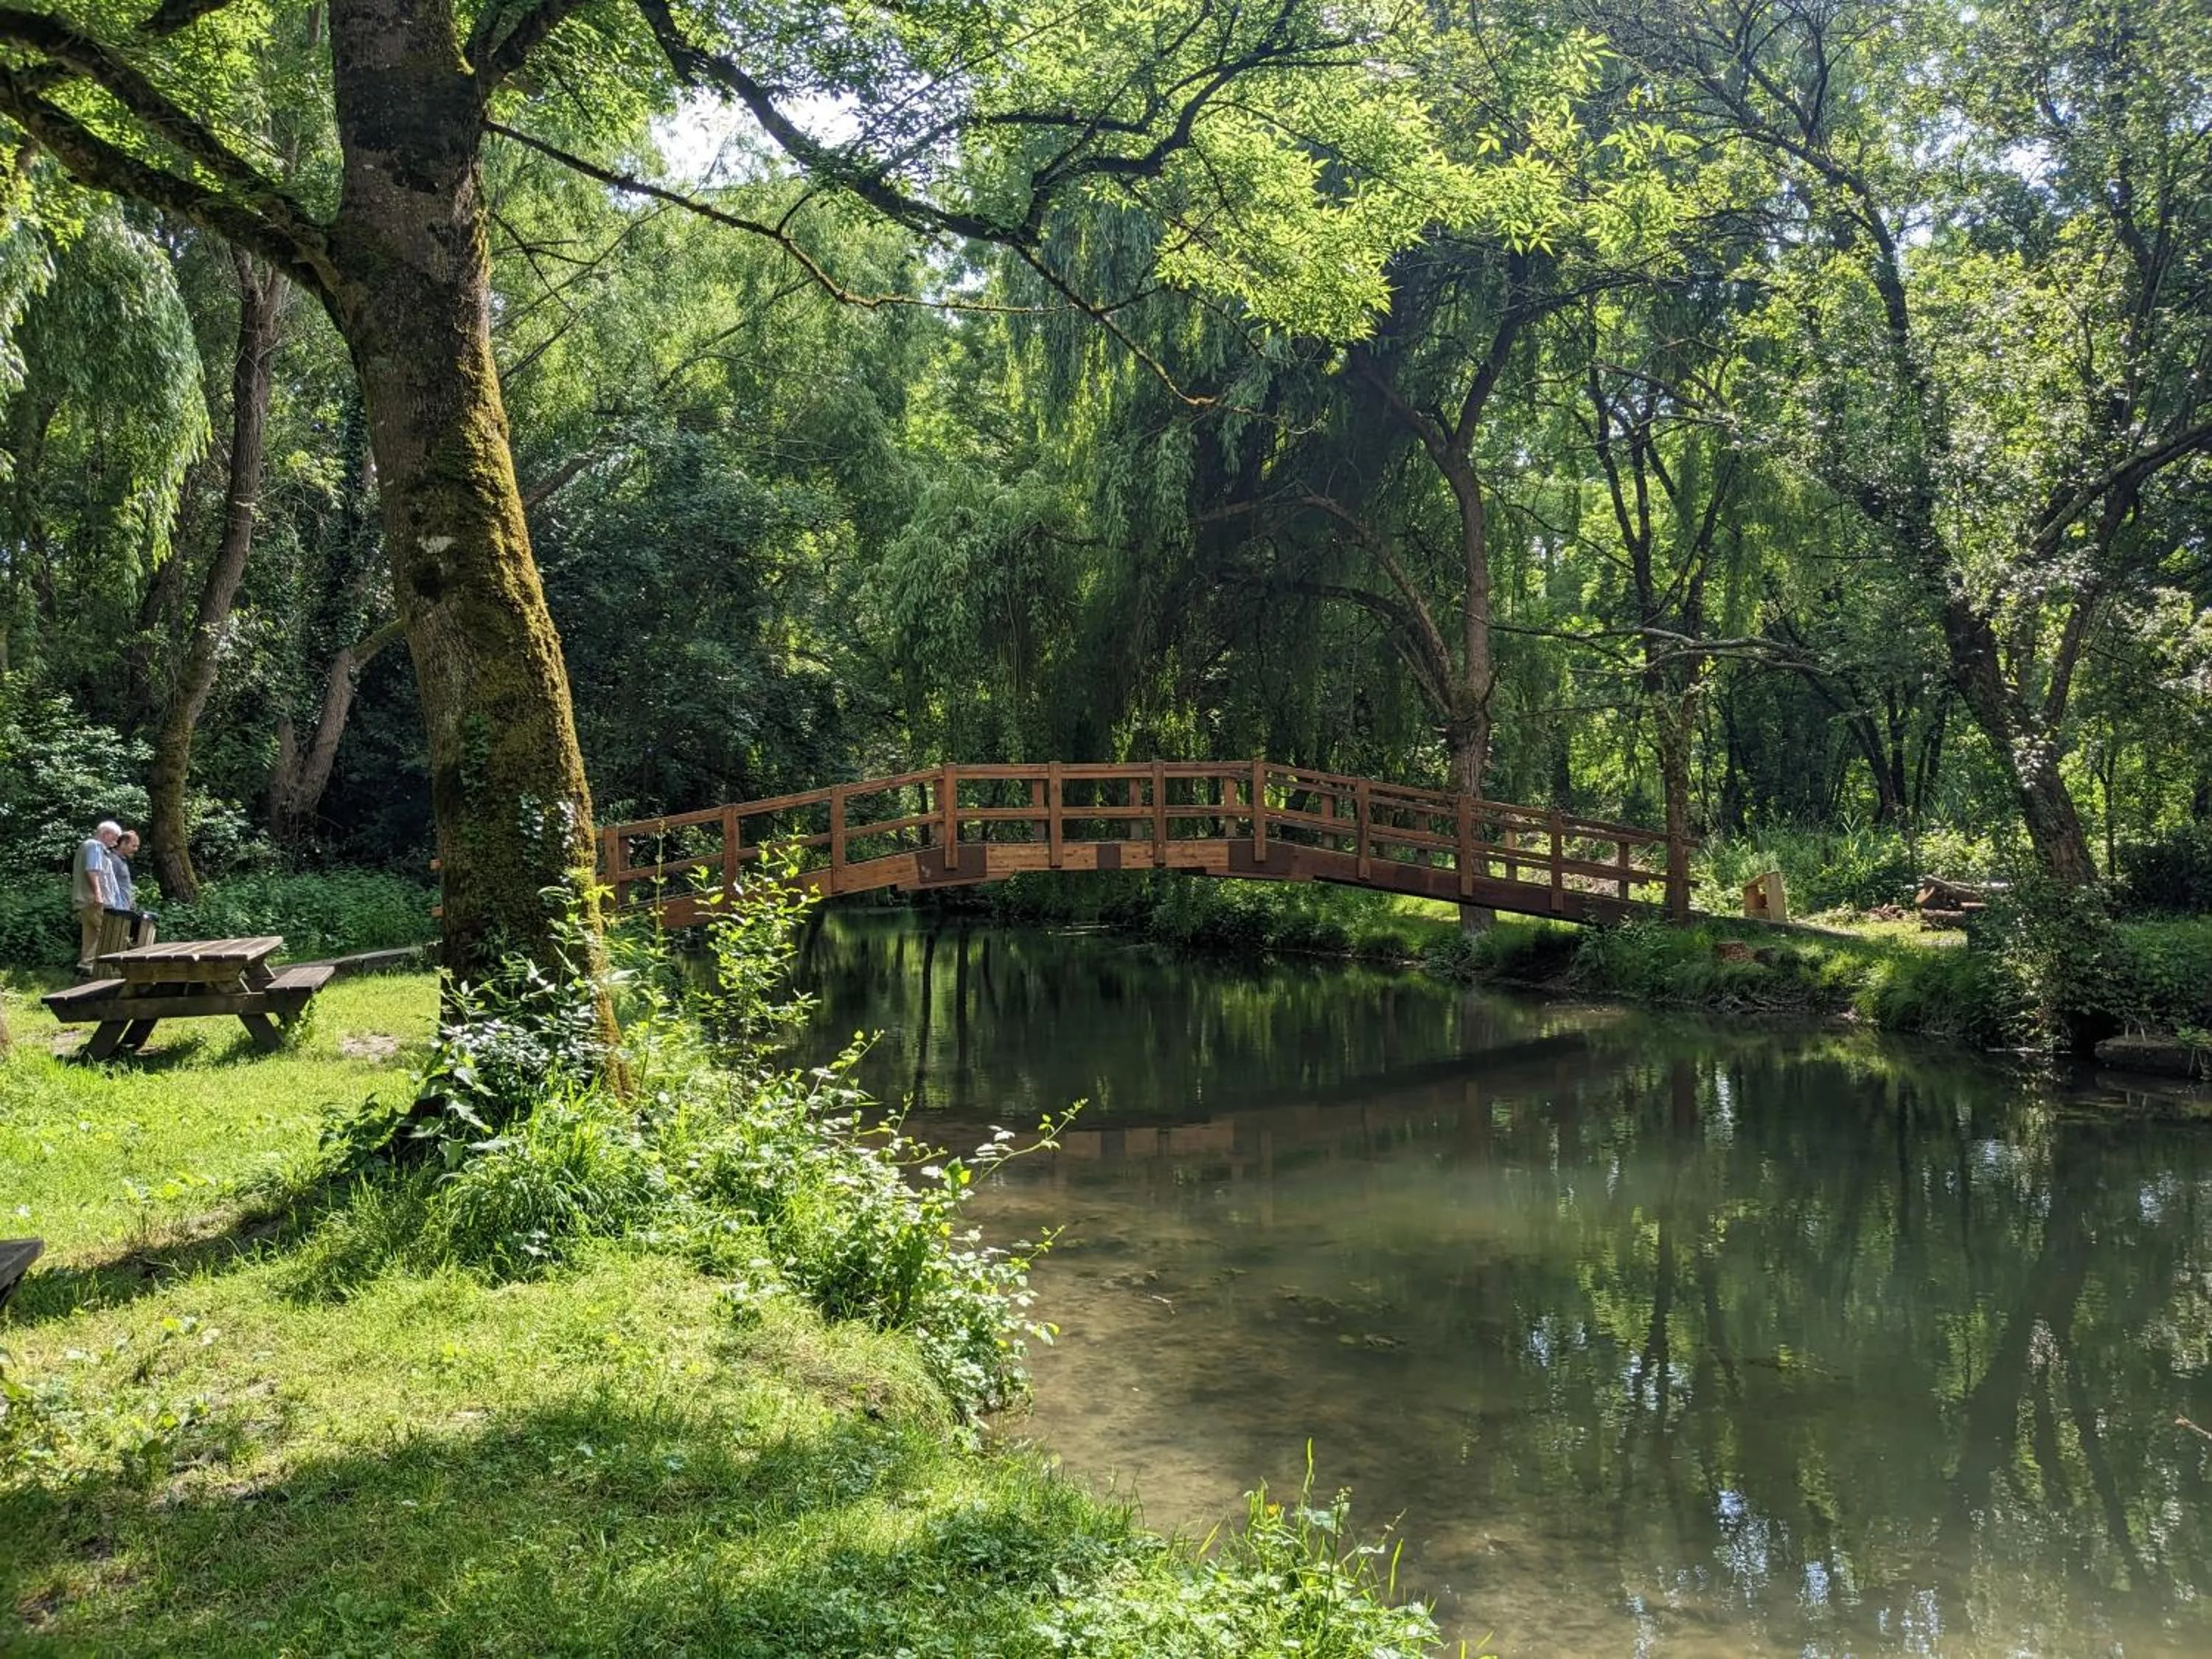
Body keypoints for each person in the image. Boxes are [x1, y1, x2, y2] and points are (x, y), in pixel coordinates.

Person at [72, 821, 121, 977]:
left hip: (84, 899)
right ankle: (111, 971)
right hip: (94, 900)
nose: (116, 842)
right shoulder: (95, 846)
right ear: (105, 834)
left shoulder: (85, 846)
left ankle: (86, 967)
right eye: (115, 837)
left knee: (91, 935)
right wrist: (98, 894)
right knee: (110, 932)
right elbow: (92, 870)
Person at [108, 830, 157, 950]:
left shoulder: (121, 861)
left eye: (137, 846)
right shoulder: (113, 860)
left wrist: (131, 902)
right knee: (117, 944)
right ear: (123, 843)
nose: (136, 849)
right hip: (117, 912)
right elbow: (106, 883)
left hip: (125, 909)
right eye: (133, 845)